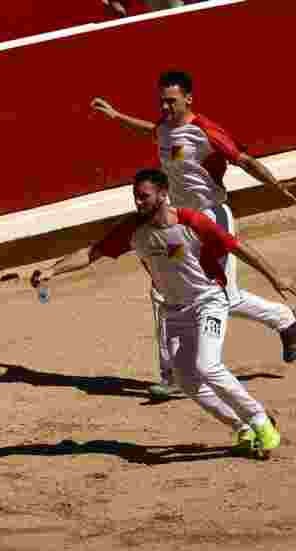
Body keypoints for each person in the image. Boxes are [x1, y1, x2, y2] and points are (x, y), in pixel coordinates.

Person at [33, 168, 293, 453]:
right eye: (136, 197)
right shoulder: (132, 228)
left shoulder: (192, 221)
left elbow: (237, 247)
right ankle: (241, 428)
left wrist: (275, 277)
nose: (138, 203)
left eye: (144, 197)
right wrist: (52, 270)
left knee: (208, 366)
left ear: (163, 194)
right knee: (185, 379)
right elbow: (92, 253)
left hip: (208, 301)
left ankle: (260, 421)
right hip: (175, 310)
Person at [91, 70, 296, 398]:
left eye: (171, 101)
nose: (165, 107)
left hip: (212, 217)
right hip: (180, 222)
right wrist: (117, 117)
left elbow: (243, 160)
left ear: (189, 99)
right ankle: (172, 373)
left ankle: (283, 318)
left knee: (220, 296)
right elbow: (153, 131)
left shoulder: (206, 132)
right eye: (161, 101)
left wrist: (276, 185)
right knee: (167, 292)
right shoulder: (164, 129)